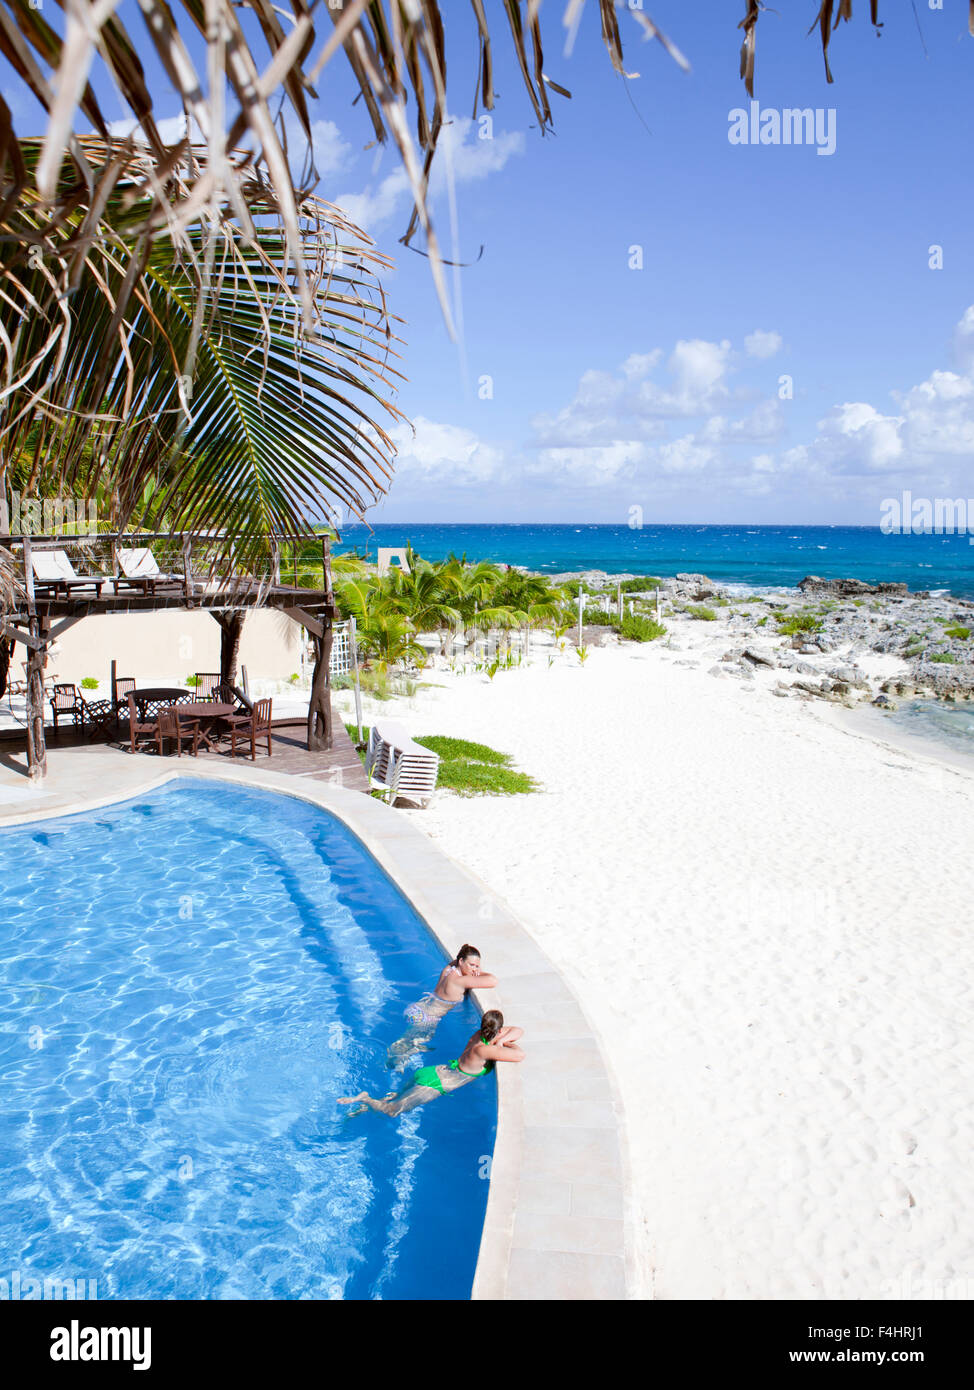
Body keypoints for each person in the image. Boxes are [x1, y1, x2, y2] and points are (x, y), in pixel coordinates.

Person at [340, 1010, 523, 1117]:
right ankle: (366, 1098)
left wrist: (499, 1039)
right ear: (498, 1030)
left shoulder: (478, 1035)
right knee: (393, 1111)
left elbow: (517, 1030)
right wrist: (502, 1043)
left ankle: (365, 1108)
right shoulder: (485, 1050)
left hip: (433, 1071)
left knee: (396, 1095)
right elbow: (519, 1054)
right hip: (433, 1084)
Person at [386, 943, 497, 1070]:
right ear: (461, 961)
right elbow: (493, 980)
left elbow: (456, 961)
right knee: (410, 1045)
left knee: (407, 1039)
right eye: (472, 965)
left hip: (418, 1007)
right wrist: (480, 972)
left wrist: (471, 967)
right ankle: (390, 1064)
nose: (474, 969)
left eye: (477, 966)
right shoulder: (459, 981)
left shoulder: (449, 969)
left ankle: (393, 1058)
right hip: (427, 1019)